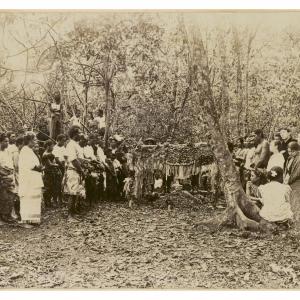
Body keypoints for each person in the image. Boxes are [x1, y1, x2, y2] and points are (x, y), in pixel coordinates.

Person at [18, 133, 44, 228]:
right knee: (27, 199)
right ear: (29, 140)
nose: (36, 141)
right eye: (34, 140)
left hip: (33, 179)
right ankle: (25, 220)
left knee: (34, 199)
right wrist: (38, 168)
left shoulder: (30, 150)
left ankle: (33, 219)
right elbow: (29, 165)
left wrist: (39, 167)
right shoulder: (25, 150)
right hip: (28, 180)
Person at [63, 126, 85, 221]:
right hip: (73, 171)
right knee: (72, 193)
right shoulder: (71, 144)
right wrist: (81, 170)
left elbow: (79, 158)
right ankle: (70, 216)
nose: (80, 135)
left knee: (75, 193)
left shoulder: (75, 144)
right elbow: (73, 160)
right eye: (79, 133)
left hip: (76, 171)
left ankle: (73, 213)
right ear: (75, 134)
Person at [0, 133, 16, 224]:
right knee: (4, 197)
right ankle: (4, 215)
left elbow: (11, 163)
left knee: (11, 196)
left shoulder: (7, 151)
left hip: (10, 175)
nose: (7, 143)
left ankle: (9, 214)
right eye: (5, 141)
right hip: (3, 177)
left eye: (7, 141)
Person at [284, 141, 300, 228]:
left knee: (296, 203)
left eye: (291, 151)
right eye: (289, 151)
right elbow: (287, 171)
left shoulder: (299, 159)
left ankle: (297, 223)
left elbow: (297, 173)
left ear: (296, 150)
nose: (290, 153)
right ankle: (293, 222)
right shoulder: (290, 158)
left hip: (297, 184)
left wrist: (289, 181)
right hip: (291, 183)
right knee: (292, 202)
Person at [42, 140, 63, 208]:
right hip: (48, 173)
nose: (53, 147)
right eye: (52, 146)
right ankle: (47, 202)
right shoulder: (45, 154)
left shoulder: (50, 153)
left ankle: (52, 202)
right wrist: (58, 165)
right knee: (48, 188)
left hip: (53, 173)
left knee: (54, 188)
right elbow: (50, 164)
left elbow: (53, 162)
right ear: (48, 146)